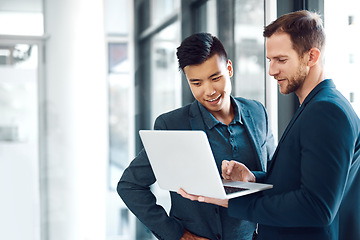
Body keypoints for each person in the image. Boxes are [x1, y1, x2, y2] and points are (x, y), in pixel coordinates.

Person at [178, 10, 360, 240]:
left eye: (281, 60)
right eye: (270, 60)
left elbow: (317, 207)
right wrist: (253, 179)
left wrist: (231, 201)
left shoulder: (326, 111)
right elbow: (303, 182)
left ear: (311, 57)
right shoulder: (315, 106)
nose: (272, 70)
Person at [117, 33, 276, 240]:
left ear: (229, 68)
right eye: (197, 83)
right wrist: (177, 234)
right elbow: (130, 185)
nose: (209, 91)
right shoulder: (172, 125)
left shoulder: (257, 113)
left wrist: (252, 177)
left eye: (215, 78)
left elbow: (276, 175)